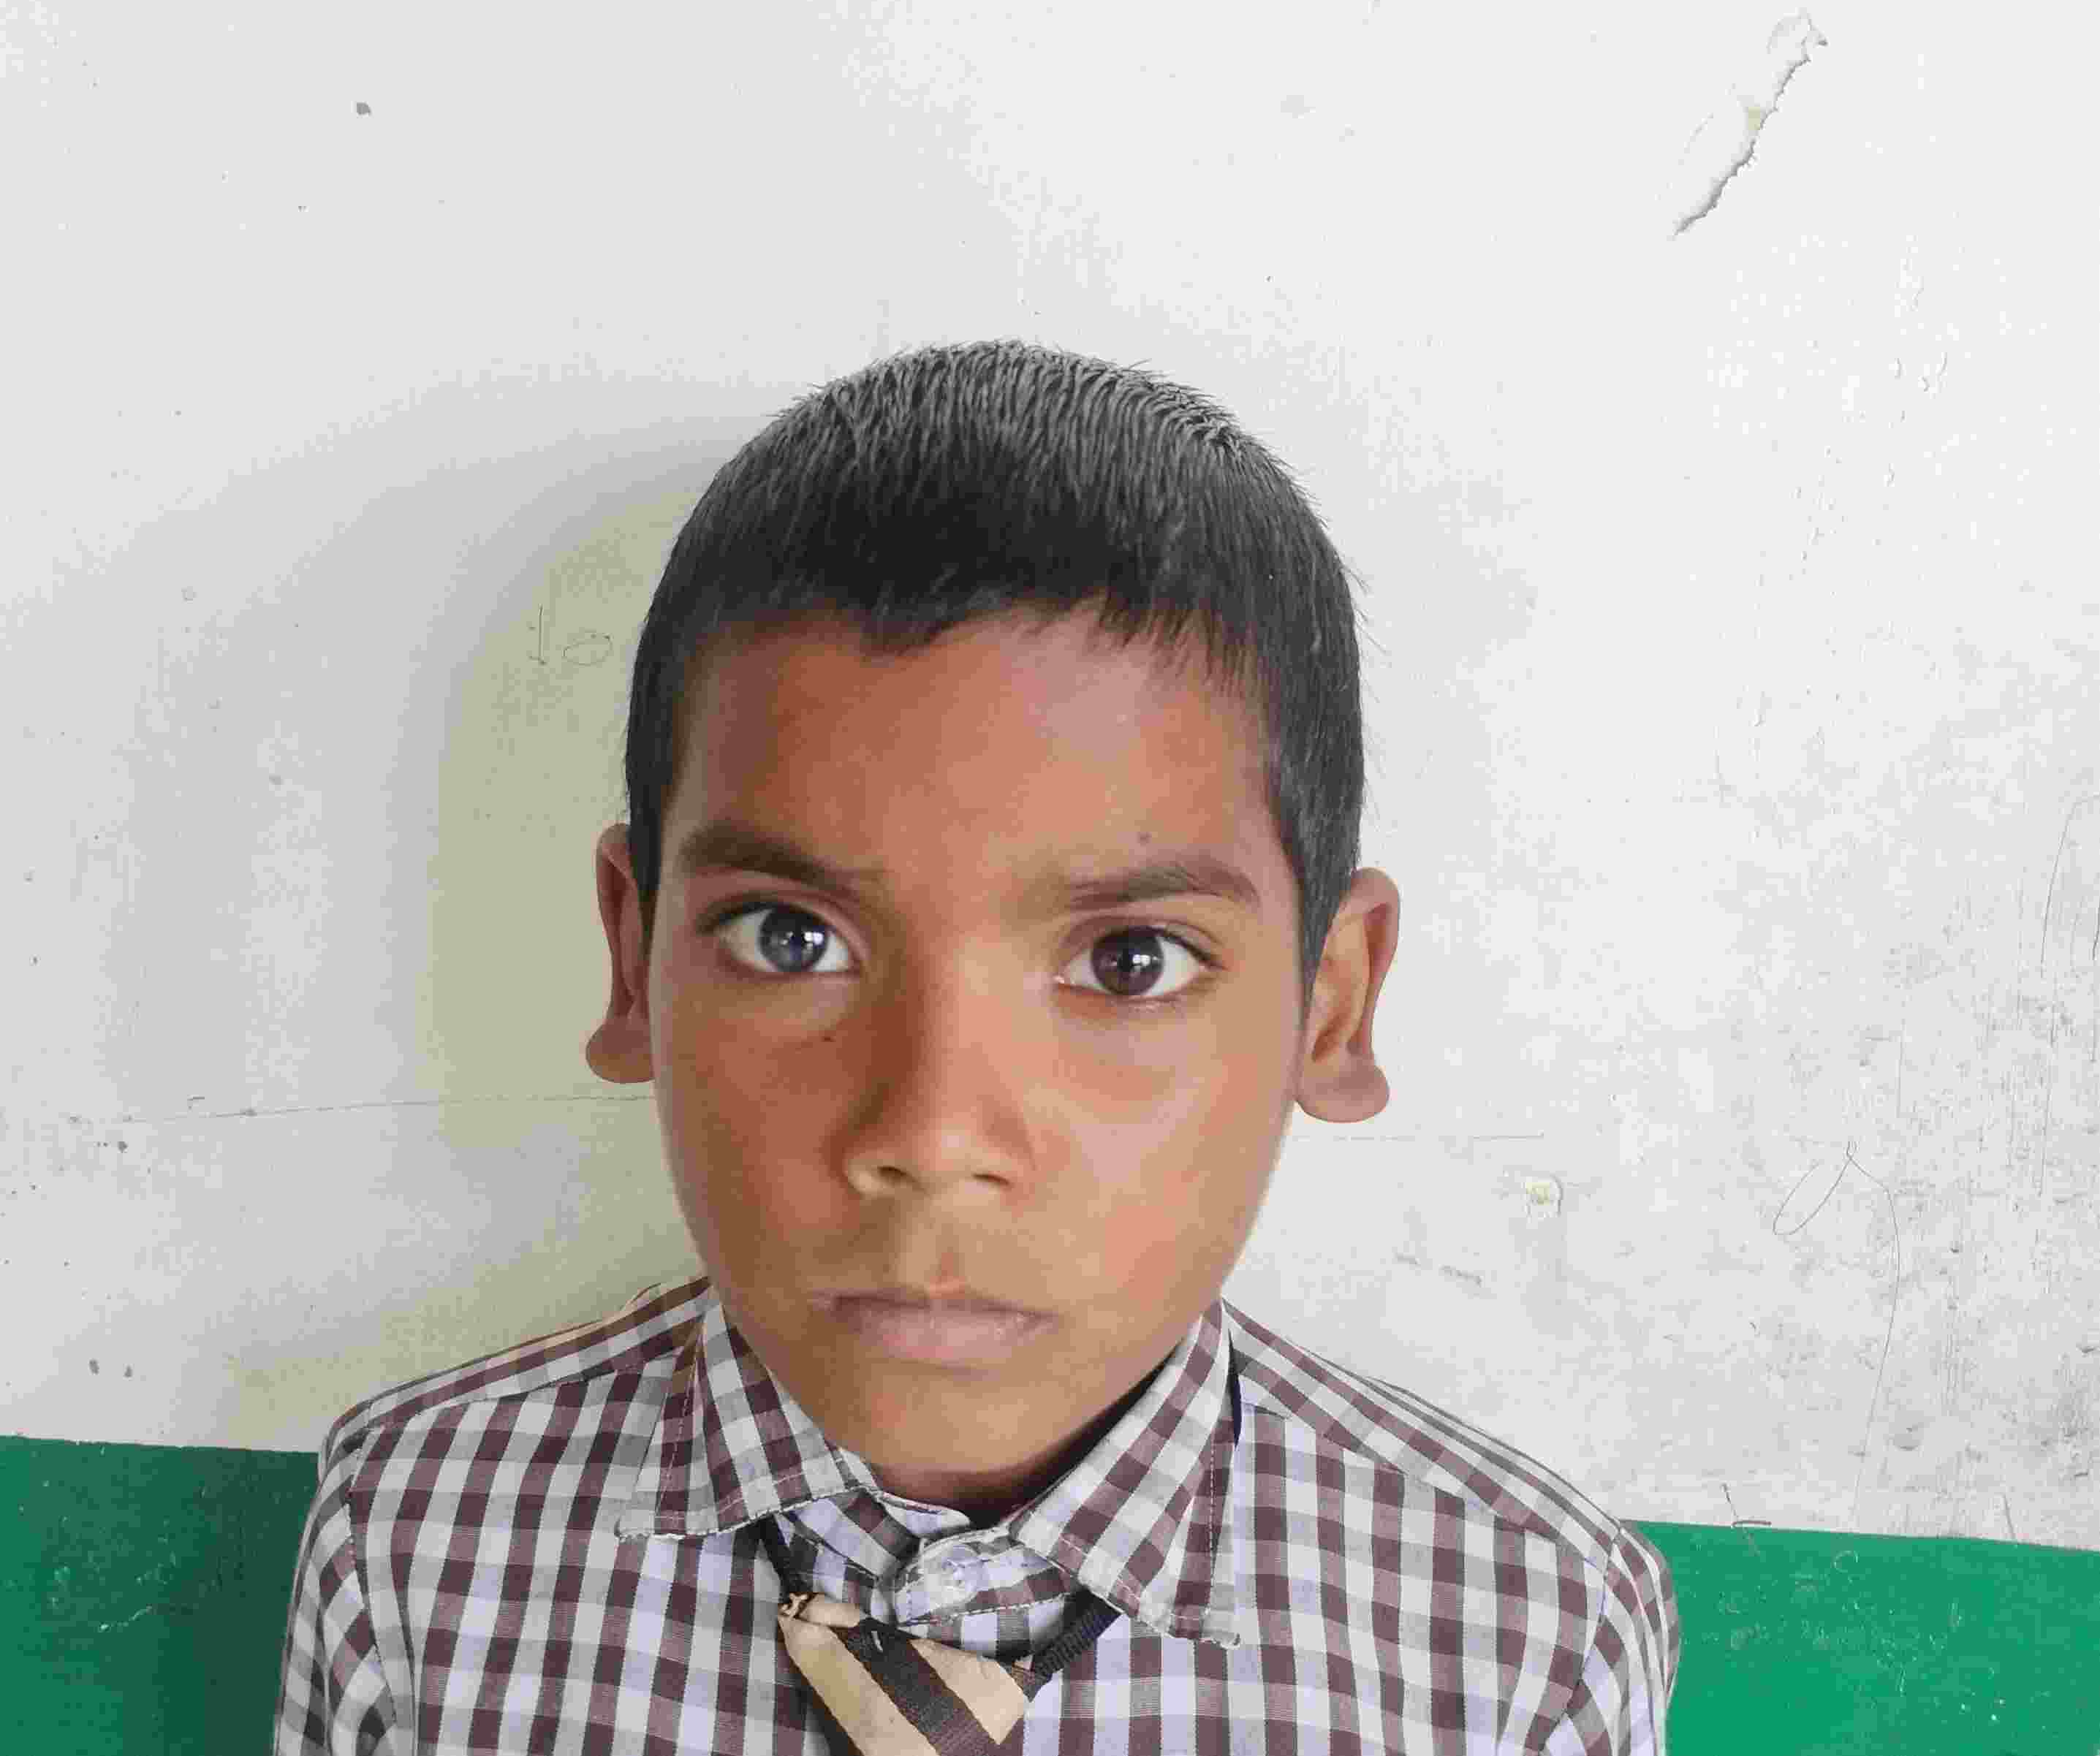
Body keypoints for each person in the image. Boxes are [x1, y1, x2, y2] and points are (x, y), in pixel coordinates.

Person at [276, 338, 1680, 1751]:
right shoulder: (414, 1546)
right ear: (634, 958)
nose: (934, 1134)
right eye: (789, 937)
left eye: (1128, 962)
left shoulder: (1524, 1650)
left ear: (1331, 1002)